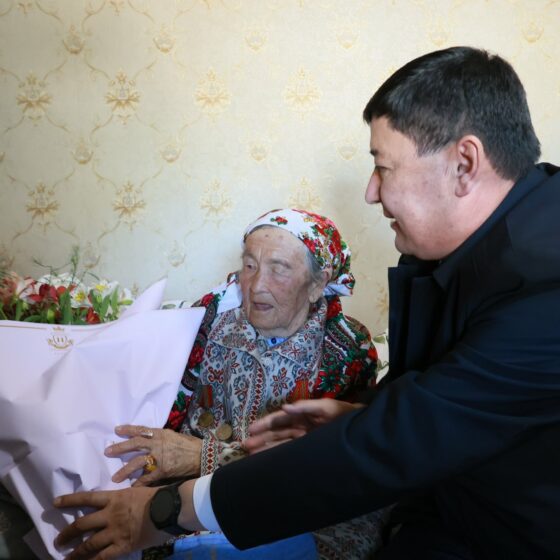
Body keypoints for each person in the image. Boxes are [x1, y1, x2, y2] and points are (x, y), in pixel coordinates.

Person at [54, 46, 560, 560]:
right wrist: (355, 416)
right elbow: (435, 398)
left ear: (464, 164)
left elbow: (397, 443)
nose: (370, 193)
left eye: (383, 168)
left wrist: (165, 511)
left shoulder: (548, 287)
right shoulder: (495, 243)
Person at [71, 208, 387, 559]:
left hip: (293, 507)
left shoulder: (344, 348)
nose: (257, 285)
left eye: (279, 268)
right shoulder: (208, 320)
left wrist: (202, 456)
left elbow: (327, 464)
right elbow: (158, 405)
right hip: (185, 494)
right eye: (249, 265)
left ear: (317, 284)